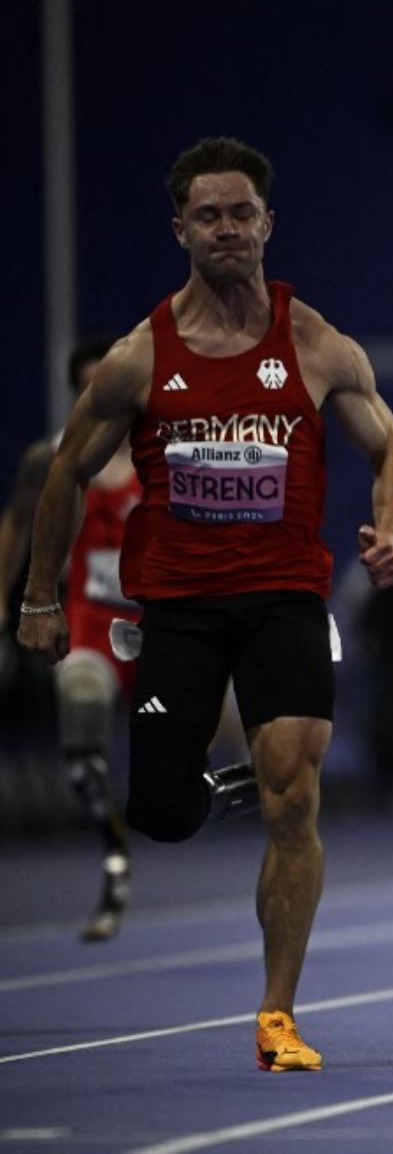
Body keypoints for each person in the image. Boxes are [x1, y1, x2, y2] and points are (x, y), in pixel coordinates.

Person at [17, 136, 393, 1071]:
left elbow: (392, 449)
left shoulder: (313, 342)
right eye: (210, 215)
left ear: (268, 224)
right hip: (182, 608)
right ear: (181, 231)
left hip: (284, 596)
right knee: (160, 810)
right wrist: (40, 595)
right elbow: (63, 473)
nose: (228, 228)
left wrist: (389, 529)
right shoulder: (137, 357)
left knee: (297, 792)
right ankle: (213, 786)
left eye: (243, 213)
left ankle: (277, 1015)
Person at [0, 339, 144, 940]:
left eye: (109, 383)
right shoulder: (53, 458)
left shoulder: (166, 447)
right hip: (90, 621)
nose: (101, 396)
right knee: (82, 738)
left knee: (176, 780)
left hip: (158, 627)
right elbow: (16, 524)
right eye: (89, 386)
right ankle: (115, 862)